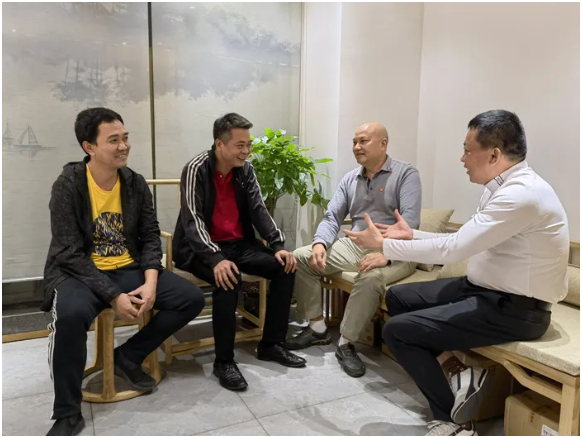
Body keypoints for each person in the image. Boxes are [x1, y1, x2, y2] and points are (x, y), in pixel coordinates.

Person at [343, 110, 569, 436]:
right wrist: (411, 235)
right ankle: (457, 371)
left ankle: (454, 422)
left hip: (517, 309)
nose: (462, 158)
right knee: (398, 297)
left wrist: (385, 246)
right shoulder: (498, 188)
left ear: (494, 155)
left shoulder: (521, 195)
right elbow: (462, 239)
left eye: (467, 150)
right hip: (483, 289)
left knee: (398, 332)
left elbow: (453, 250)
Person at [42, 108, 206, 436]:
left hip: (127, 266)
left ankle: (128, 356)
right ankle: (67, 411)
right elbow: (69, 253)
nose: (124, 146)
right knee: (70, 317)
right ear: (89, 147)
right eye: (113, 140)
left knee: (190, 298)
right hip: (79, 273)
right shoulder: (68, 185)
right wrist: (114, 295)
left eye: (126, 138)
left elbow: (150, 235)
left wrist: (151, 281)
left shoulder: (134, 183)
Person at [172, 112, 306, 392]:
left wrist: (277, 245)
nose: (246, 151)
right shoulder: (196, 168)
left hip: (238, 244)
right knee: (228, 278)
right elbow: (192, 220)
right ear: (219, 145)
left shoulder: (246, 170)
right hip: (198, 248)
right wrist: (215, 258)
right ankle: (224, 361)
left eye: (248, 144)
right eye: (240, 145)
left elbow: (259, 210)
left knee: (285, 267)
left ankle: (271, 344)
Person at [286, 122, 422, 378]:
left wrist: (386, 253)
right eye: (354, 142)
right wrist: (319, 243)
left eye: (363, 141)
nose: (356, 147)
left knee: (370, 277)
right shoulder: (350, 178)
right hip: (357, 244)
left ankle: (346, 343)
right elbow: (332, 216)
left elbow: (411, 223)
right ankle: (317, 328)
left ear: (383, 144)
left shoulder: (406, 174)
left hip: (398, 250)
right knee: (302, 256)